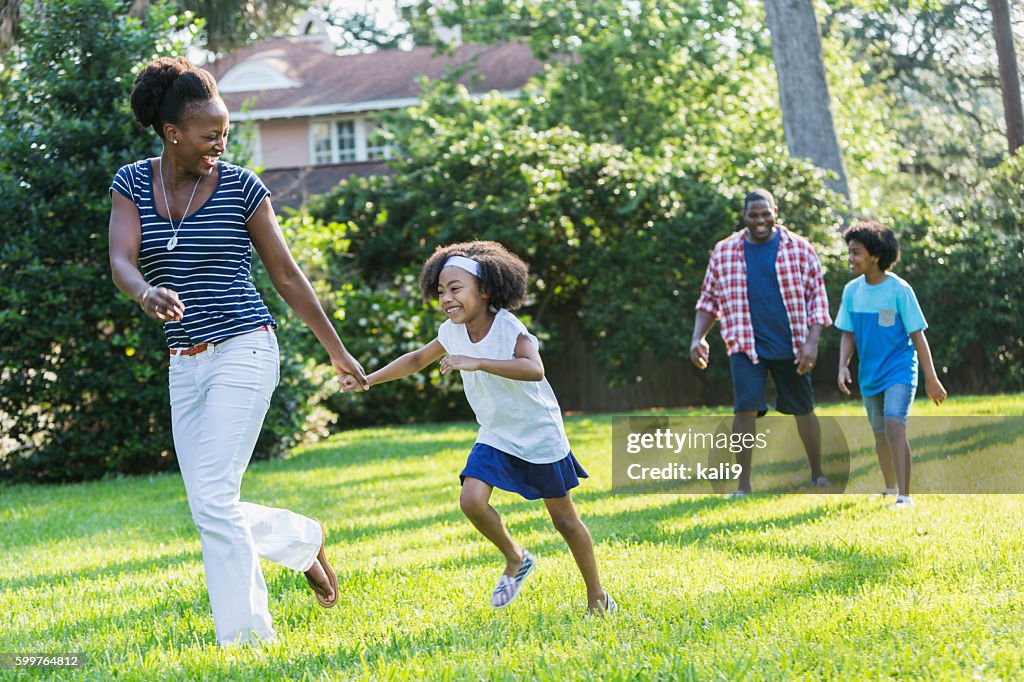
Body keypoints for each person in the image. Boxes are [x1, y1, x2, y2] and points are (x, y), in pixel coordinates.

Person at [107, 56, 367, 646]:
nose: (220, 143)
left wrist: (337, 351)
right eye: (209, 134)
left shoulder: (242, 188)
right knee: (209, 505)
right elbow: (122, 259)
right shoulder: (131, 183)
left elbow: (288, 277)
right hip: (184, 362)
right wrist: (145, 291)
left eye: (224, 132)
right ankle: (300, 538)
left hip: (245, 349)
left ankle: (248, 641)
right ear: (173, 132)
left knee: (215, 502)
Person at [343, 241, 616, 614]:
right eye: (441, 291)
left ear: (484, 290)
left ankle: (597, 597)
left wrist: (478, 362)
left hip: (538, 433)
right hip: (496, 433)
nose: (446, 299)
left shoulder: (509, 329)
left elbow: (534, 369)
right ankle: (516, 557)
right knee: (471, 500)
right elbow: (417, 359)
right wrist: (367, 380)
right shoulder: (451, 332)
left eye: (456, 289)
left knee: (565, 521)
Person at [690, 189, 832, 495]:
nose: (760, 220)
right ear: (744, 216)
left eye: (765, 213)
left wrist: (812, 343)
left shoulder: (800, 248)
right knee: (745, 411)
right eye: (753, 215)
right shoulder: (725, 251)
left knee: (803, 409)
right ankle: (743, 486)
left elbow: (818, 301)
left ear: (775, 211)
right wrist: (698, 338)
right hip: (745, 344)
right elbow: (708, 300)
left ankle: (818, 474)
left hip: (792, 344)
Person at [836, 221, 947, 509]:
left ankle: (905, 495)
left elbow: (918, 338)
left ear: (874, 255)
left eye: (856, 253)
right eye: (849, 252)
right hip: (869, 373)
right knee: (879, 431)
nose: (850, 258)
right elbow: (848, 333)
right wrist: (842, 366)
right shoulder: (851, 291)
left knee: (894, 423)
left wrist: (931, 379)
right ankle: (890, 487)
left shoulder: (900, 290)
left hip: (899, 368)